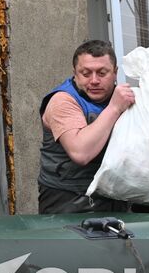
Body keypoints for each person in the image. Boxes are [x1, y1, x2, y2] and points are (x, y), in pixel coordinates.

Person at [36, 39, 136, 214]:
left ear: (115, 73)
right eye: (86, 73)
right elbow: (80, 153)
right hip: (68, 201)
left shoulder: (124, 99)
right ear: (75, 74)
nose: (94, 80)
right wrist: (114, 108)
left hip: (114, 196)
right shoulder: (62, 101)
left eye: (102, 73)